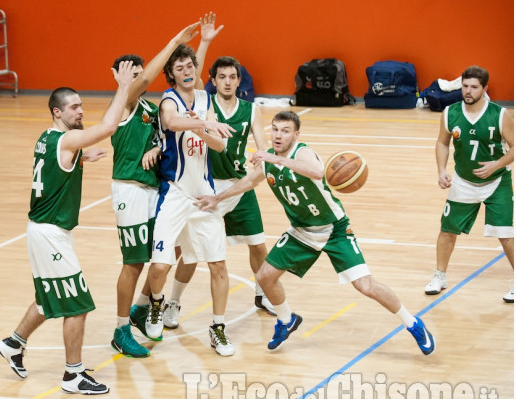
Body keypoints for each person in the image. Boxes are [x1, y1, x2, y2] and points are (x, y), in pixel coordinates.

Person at [195, 110, 437, 355]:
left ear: (296, 134)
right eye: (275, 129)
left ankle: (414, 324)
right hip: (301, 231)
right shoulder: (269, 159)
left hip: (334, 229)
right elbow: (248, 182)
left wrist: (278, 159)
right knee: (265, 276)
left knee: (365, 285)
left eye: (285, 131)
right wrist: (217, 198)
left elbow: (317, 172)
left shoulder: (302, 152)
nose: (278, 135)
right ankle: (286, 320)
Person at [0, 61, 134, 395]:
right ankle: (73, 375)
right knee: (78, 304)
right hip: (49, 234)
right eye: (74, 107)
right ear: (57, 112)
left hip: (41, 230)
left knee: (48, 300)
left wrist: (82, 160)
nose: (81, 111)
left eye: (81, 105)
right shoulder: (68, 139)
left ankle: (14, 343)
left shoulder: (47, 139)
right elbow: (110, 125)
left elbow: (54, 170)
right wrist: (124, 86)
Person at [162, 52, 277, 330]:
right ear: (213, 80)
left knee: (257, 244)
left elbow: (262, 144)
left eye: (232, 77)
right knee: (192, 253)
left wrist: (263, 156)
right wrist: (204, 42)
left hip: (238, 185)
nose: (227, 82)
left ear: (240, 81)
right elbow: (194, 75)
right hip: (208, 186)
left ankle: (263, 294)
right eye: (221, 77)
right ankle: (174, 302)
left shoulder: (251, 110)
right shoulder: (205, 102)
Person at [107, 21, 201, 359]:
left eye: (136, 72)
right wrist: (176, 39)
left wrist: (158, 148)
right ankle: (120, 329)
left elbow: (168, 135)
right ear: (117, 76)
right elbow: (147, 80)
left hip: (155, 191)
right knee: (134, 263)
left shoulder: (150, 108)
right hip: (130, 191)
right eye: (127, 73)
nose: (134, 78)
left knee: (170, 250)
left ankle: (141, 307)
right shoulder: (123, 104)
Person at [142, 40, 237, 356]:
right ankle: (156, 304)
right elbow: (172, 122)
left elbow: (219, 147)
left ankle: (218, 328)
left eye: (190, 66)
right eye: (179, 67)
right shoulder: (167, 100)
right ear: (170, 74)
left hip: (203, 196)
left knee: (218, 265)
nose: (186, 71)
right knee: (159, 267)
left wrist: (206, 129)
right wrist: (202, 123)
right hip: (174, 195)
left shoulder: (203, 97)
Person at [424, 66, 514, 303]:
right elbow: (442, 143)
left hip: (496, 182)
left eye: (474, 87)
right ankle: (439, 276)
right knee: (447, 230)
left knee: (505, 235)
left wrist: (495, 165)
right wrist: (442, 170)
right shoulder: (450, 113)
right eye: (465, 86)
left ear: (484, 88)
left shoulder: (501, 114)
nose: (468, 91)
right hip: (464, 181)